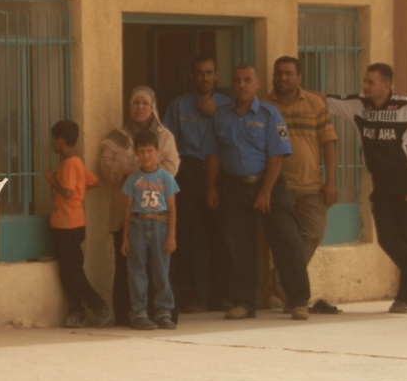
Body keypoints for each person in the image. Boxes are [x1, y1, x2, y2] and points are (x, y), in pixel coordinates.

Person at [327, 65, 407, 315]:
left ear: (386, 86)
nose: (364, 87)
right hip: (381, 182)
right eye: (364, 81)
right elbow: (324, 101)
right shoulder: (356, 105)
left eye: (370, 83)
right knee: (387, 238)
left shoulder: (405, 106)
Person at [206, 64, 311, 321]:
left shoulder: (270, 114)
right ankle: (245, 303)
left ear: (257, 84)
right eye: (237, 80)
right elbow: (213, 154)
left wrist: (265, 192)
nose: (242, 85)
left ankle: (298, 301)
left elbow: (277, 155)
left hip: (269, 184)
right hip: (233, 186)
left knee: (287, 241)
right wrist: (211, 186)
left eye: (247, 80)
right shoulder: (221, 116)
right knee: (239, 246)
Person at [98, 88, 179, 325]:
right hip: (127, 217)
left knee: (160, 269)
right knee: (131, 269)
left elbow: (171, 167)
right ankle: (131, 315)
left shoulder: (165, 137)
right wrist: (126, 171)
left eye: (145, 103)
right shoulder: (118, 137)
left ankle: (162, 314)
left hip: (158, 218)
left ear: (152, 106)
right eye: (136, 103)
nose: (140, 107)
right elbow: (105, 164)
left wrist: (146, 172)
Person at [269, 56, 340, 314]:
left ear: (298, 77)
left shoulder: (314, 104)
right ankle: (291, 291)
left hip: (311, 186)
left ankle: (277, 281)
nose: (283, 78)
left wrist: (330, 182)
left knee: (313, 233)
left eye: (288, 74)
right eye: (279, 74)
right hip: (279, 187)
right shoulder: (265, 107)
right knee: (285, 241)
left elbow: (328, 143)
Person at [162, 54, 232, 312]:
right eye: (200, 73)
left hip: (219, 173)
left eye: (209, 72)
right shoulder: (179, 105)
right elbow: (167, 143)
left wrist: (215, 115)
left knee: (221, 237)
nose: (205, 78)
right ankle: (189, 297)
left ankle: (220, 296)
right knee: (184, 236)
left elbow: (235, 139)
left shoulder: (227, 105)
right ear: (192, 76)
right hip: (187, 171)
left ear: (217, 75)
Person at [45, 120, 112, 326]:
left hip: (68, 224)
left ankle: (98, 305)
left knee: (72, 272)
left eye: (54, 140)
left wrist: (52, 179)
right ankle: (76, 311)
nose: (52, 144)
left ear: (61, 141)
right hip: (68, 223)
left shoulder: (69, 164)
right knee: (67, 271)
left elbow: (68, 191)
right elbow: (92, 181)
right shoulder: (76, 163)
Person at [120, 132, 178, 329]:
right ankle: (139, 313)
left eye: (150, 151)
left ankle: (163, 312)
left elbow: (171, 208)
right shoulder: (132, 180)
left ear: (158, 152)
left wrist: (171, 235)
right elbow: (127, 208)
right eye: (142, 152)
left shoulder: (166, 178)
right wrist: (125, 237)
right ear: (136, 154)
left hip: (160, 225)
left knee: (161, 270)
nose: (146, 156)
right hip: (138, 225)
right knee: (137, 270)